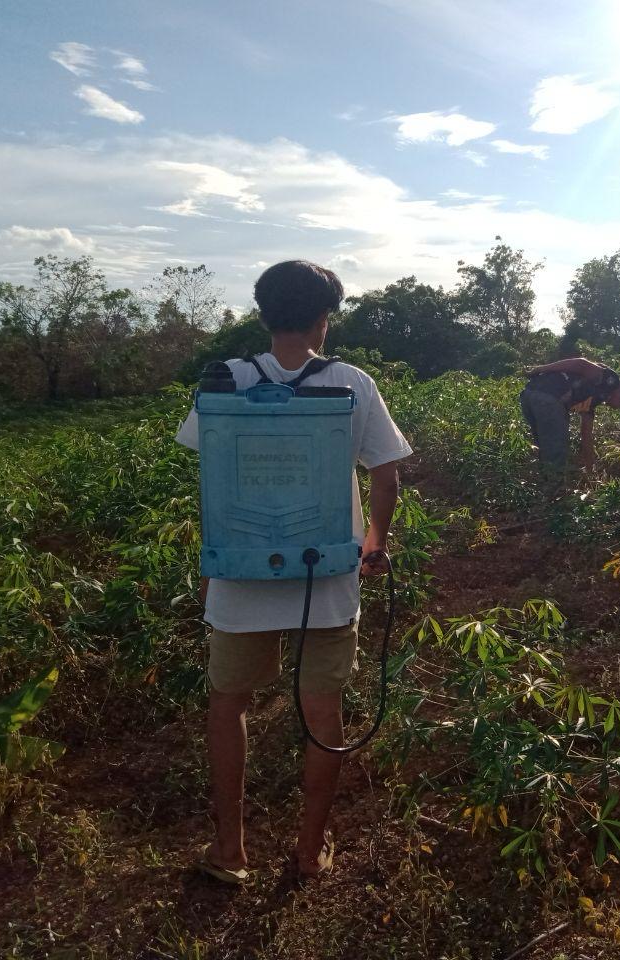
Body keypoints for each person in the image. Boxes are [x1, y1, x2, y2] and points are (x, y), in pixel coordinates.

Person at [175, 260, 412, 884]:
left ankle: (230, 853)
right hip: (327, 577)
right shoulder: (353, 382)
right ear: (322, 319)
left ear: (261, 313)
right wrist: (375, 542)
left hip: (239, 574)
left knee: (229, 704)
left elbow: (207, 458)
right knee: (322, 709)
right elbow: (386, 472)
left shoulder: (223, 378)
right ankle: (308, 853)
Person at [519, 357, 620, 475]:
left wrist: (589, 470)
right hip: (550, 396)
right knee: (557, 449)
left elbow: (586, 435)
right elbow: (580, 364)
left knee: (545, 447)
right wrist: (539, 369)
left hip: (530, 394)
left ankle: (544, 485)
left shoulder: (593, 401)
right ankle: (554, 487)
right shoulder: (611, 380)